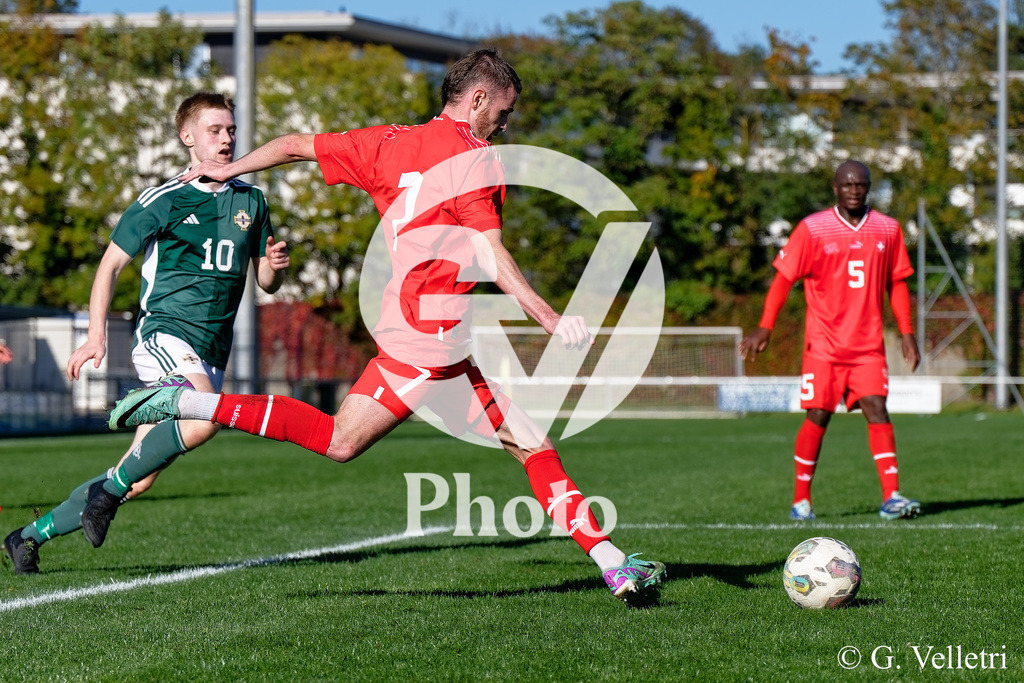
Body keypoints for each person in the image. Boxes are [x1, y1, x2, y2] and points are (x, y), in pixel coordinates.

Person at [100, 49, 665, 605]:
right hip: (433, 342)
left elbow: (296, 146)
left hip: (417, 334)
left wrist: (228, 168)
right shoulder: (477, 158)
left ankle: (612, 563)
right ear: (477, 100)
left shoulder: (387, 142)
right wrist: (549, 317)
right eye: (504, 111)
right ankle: (192, 405)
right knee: (367, 440)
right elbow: (490, 252)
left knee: (508, 443)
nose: (505, 123)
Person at [3, 92, 290, 574]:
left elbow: (264, 280)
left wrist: (276, 267)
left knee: (137, 477)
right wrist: (97, 336)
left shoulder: (252, 200)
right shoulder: (164, 198)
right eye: (215, 130)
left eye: (231, 130)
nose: (227, 139)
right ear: (188, 137)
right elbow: (110, 265)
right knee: (205, 418)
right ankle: (105, 496)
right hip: (165, 335)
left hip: (211, 353)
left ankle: (27, 537)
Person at [739, 160, 922, 521]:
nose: (854, 190)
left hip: (868, 345)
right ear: (835, 188)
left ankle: (892, 496)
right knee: (819, 415)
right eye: (847, 184)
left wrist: (907, 333)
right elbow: (782, 280)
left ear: (868, 188)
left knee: (876, 408)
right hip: (823, 345)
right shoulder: (813, 228)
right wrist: (765, 326)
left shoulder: (888, 229)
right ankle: (801, 500)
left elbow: (897, 283)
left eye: (861, 184)